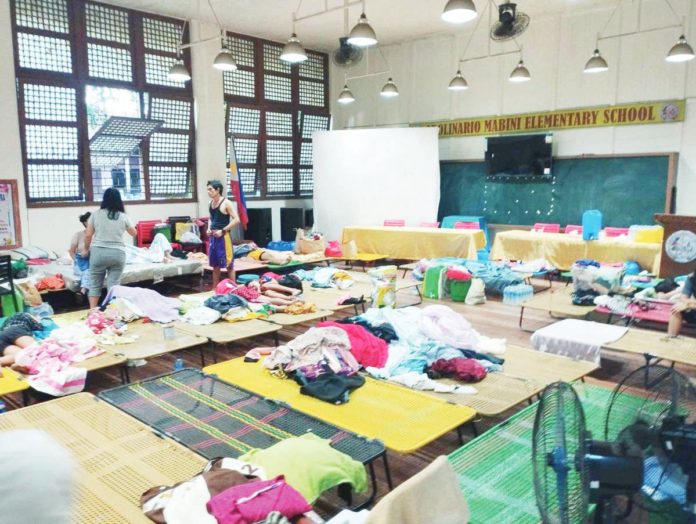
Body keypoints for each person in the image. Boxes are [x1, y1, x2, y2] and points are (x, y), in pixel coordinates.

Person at [82, 188, 137, 309]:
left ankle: (93, 311)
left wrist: (86, 250)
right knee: (114, 286)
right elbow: (134, 233)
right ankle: (113, 312)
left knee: (95, 284)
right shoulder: (123, 216)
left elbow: (88, 235)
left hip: (98, 253)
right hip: (118, 254)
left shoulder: (96, 214)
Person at [207, 179, 240, 289]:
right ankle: (215, 289)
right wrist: (208, 228)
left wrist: (223, 231)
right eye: (207, 189)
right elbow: (211, 219)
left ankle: (233, 289)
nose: (208, 192)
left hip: (223, 237)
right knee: (215, 265)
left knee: (228, 265)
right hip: (213, 238)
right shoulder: (210, 203)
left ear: (218, 190)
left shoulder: (226, 202)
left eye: (210, 189)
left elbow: (236, 220)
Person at [0, 313, 41, 377]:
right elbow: (39, 326)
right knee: (37, 351)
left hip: (2, 336)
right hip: (15, 330)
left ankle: (3, 361)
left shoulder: (6, 322)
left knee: (20, 355)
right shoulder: (25, 316)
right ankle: (28, 365)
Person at [667, 270, 696, 337]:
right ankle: (671, 338)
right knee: (677, 308)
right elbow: (683, 298)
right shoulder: (692, 278)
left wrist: (690, 305)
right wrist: (688, 304)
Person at [68, 212, 91, 295]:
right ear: (85, 222)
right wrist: (77, 261)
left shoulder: (98, 235)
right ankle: (83, 290)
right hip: (81, 261)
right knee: (86, 271)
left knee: (90, 270)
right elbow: (71, 251)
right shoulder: (78, 235)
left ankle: (83, 291)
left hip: (94, 261)